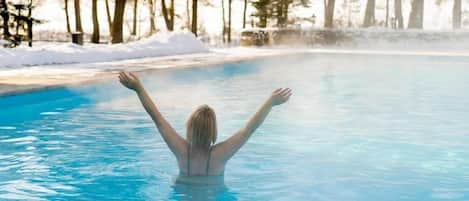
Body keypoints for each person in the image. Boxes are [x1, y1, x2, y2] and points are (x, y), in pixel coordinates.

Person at [118, 71, 291, 177]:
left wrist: (138, 88)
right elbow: (249, 129)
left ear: (189, 127)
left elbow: (156, 116)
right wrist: (270, 103)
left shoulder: (181, 150)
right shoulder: (220, 155)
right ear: (213, 131)